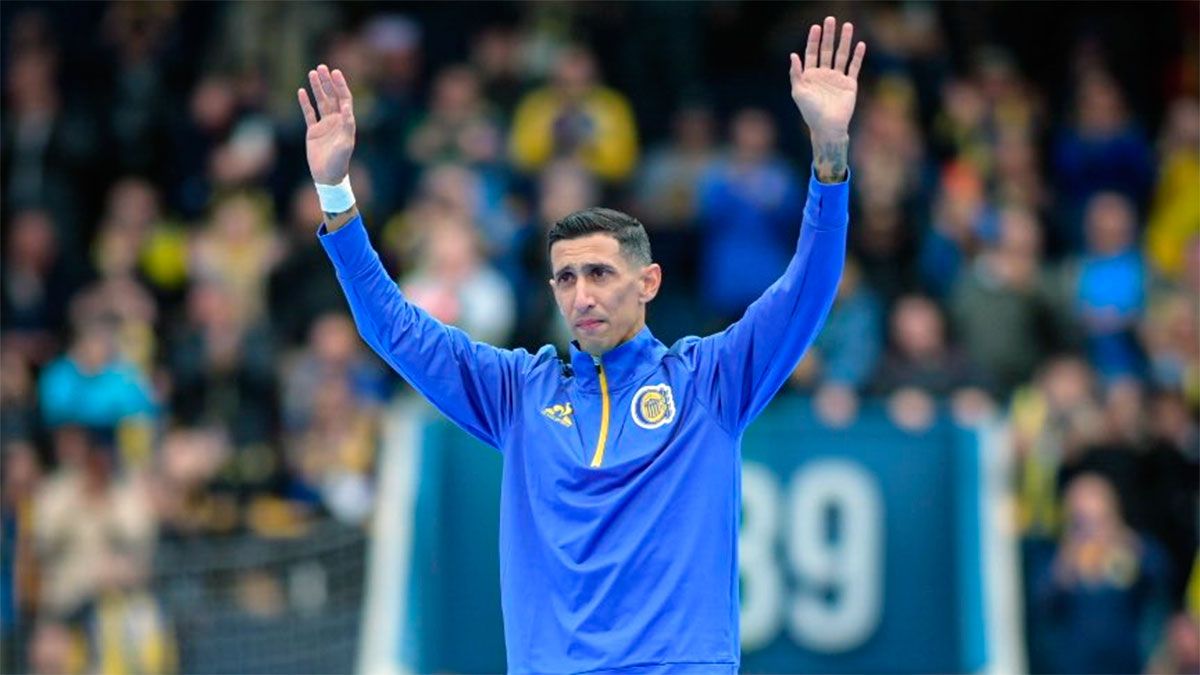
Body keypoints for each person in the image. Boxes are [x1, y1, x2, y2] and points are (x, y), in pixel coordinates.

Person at [298, 16, 864, 673]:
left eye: (599, 273)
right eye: (566, 278)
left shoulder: (710, 382)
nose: (582, 295)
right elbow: (393, 328)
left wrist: (829, 152)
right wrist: (335, 192)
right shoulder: (516, 393)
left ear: (648, 281)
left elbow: (807, 289)